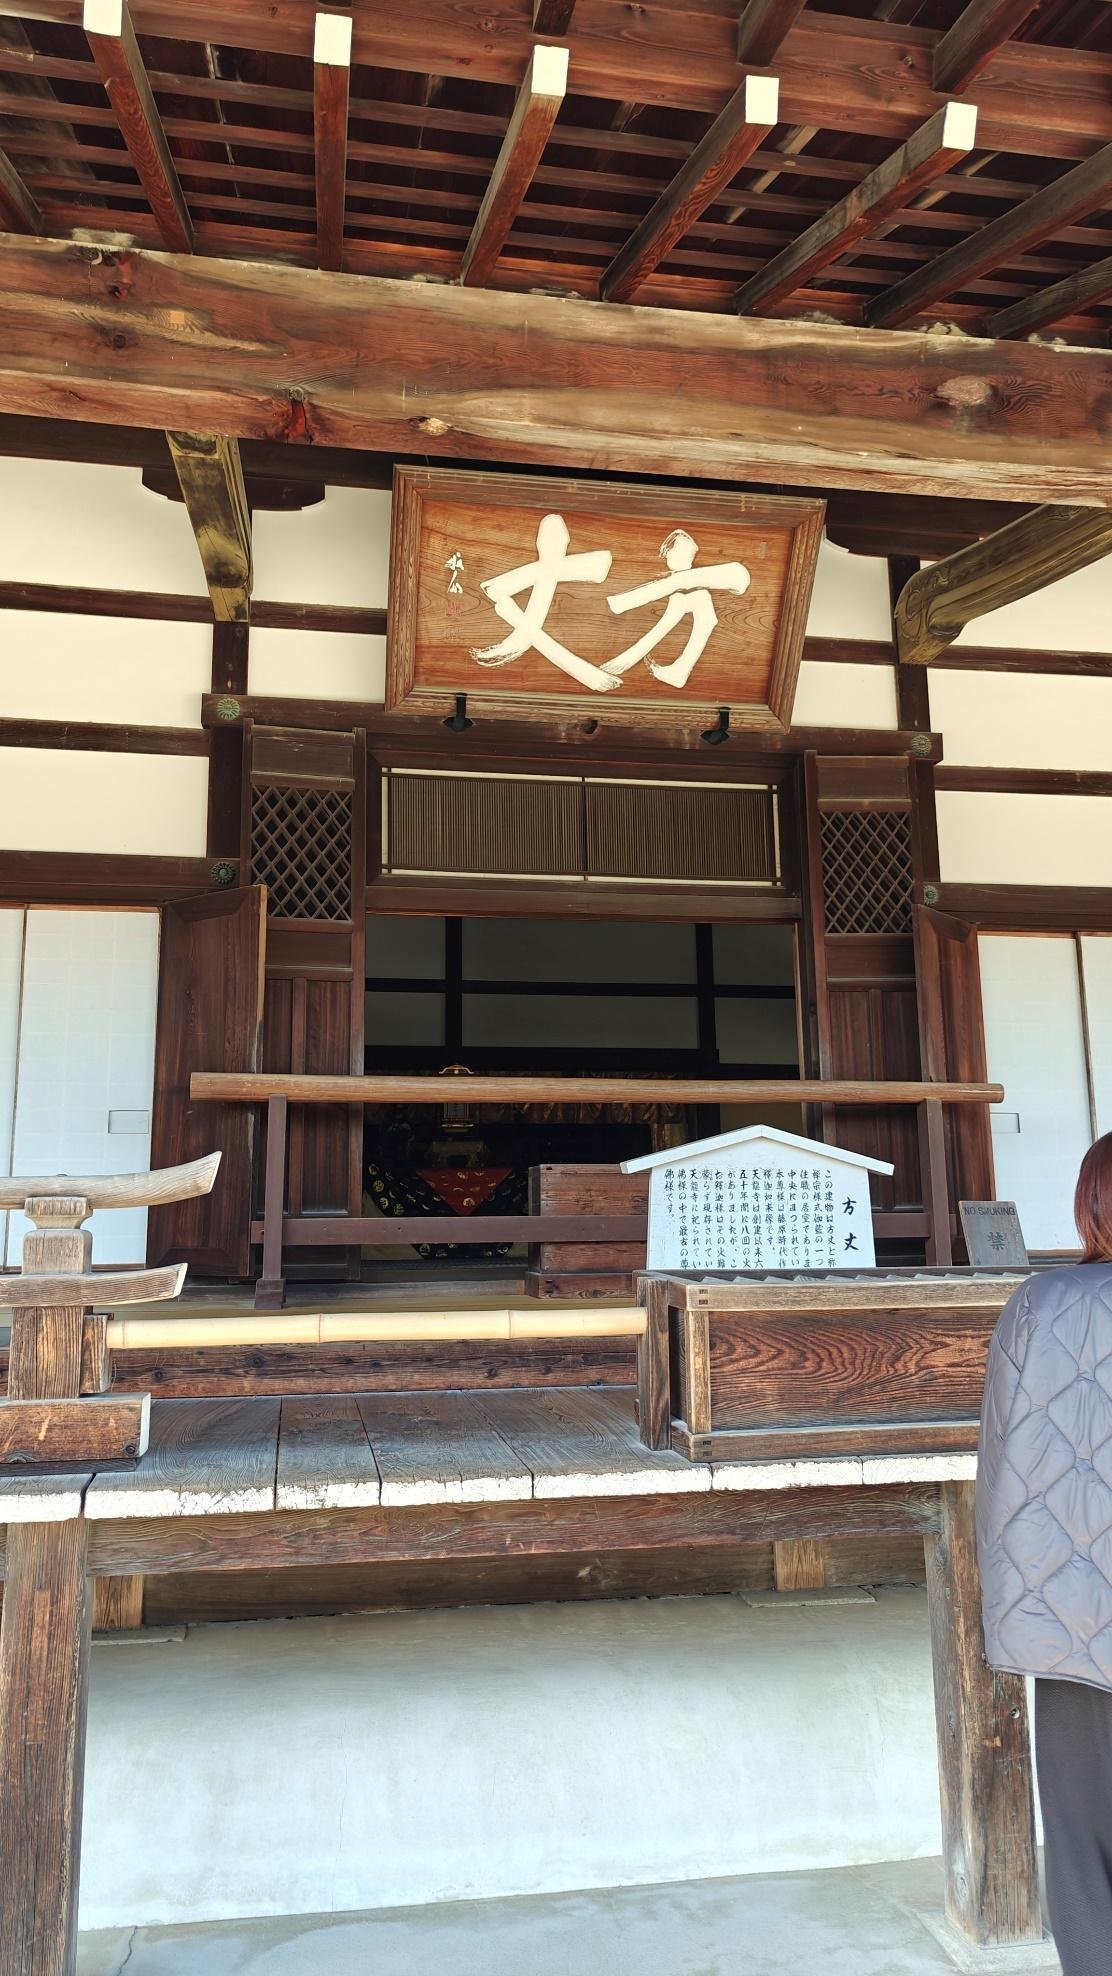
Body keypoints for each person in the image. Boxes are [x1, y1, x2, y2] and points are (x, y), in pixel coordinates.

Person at [977, 1132, 1112, 1976]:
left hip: (1076, 1628)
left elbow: (1003, 1471)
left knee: (1083, 1853)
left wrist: (1014, 1610)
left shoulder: (1042, 1304)